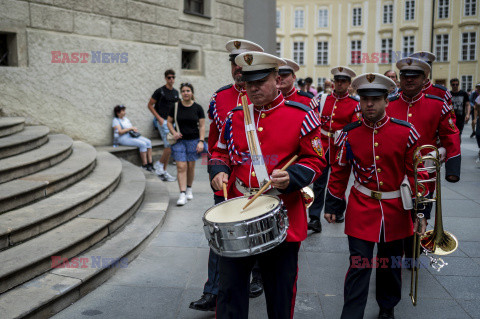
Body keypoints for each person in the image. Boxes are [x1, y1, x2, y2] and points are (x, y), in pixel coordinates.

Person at [209, 51, 326, 318]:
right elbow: (220, 152)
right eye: (248, 82)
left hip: (281, 211)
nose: (253, 88)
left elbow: (316, 160)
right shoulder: (236, 116)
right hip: (239, 209)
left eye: (260, 81)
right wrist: (218, 171)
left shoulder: (302, 115)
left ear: (276, 78)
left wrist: (292, 177)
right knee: (230, 291)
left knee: (280, 291)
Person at [324, 73, 428, 319]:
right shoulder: (348, 133)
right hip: (361, 206)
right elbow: (339, 172)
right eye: (364, 99)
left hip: (396, 209)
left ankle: (387, 307)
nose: (369, 104)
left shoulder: (406, 132)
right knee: (359, 263)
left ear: (387, 101)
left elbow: (417, 176)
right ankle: (351, 314)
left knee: (390, 264)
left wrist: (420, 212)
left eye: (375, 99)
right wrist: (333, 204)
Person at [189, 39, 265, 312]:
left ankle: (257, 276)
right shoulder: (219, 98)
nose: (238, 69)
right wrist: (214, 170)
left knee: (255, 231)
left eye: (243, 63)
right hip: (225, 180)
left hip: (259, 180)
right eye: (234, 63)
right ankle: (213, 291)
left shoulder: (266, 97)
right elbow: (214, 142)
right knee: (220, 235)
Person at [387, 57, 461, 261]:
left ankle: (414, 252)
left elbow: (451, 134)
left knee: (420, 212)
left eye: (415, 76)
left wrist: (453, 169)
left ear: (424, 78)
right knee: (396, 209)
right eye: (404, 76)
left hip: (424, 170)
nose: (409, 80)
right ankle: (397, 248)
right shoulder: (389, 103)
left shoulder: (438, 104)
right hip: (394, 167)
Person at [308, 66, 360, 233]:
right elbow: (312, 120)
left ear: (349, 84)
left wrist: (343, 136)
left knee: (338, 181)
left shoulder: (355, 104)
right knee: (319, 183)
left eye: (343, 81)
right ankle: (315, 217)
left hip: (341, 148)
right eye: (337, 80)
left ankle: (338, 209)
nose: (339, 84)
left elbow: (354, 126)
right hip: (322, 146)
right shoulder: (321, 100)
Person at [167, 83, 205, 206]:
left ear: (192, 92)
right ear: (181, 93)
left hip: (193, 141)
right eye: (183, 91)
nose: (186, 93)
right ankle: (182, 193)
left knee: (190, 166)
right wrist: (174, 132)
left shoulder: (198, 108)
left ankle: (189, 188)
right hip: (179, 142)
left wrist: (201, 141)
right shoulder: (176, 106)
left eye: (188, 90)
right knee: (181, 166)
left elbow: (203, 126)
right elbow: (168, 122)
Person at [147, 69, 178, 182]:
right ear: (165, 78)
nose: (171, 79)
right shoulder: (160, 91)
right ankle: (159, 165)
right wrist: (159, 118)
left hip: (172, 122)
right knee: (169, 145)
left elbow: (176, 108)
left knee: (169, 146)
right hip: (162, 121)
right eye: (169, 77)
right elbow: (150, 105)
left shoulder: (175, 92)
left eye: (173, 77)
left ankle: (162, 172)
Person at [112, 105, 154, 171]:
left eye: (124, 110)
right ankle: (144, 165)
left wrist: (134, 129)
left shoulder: (126, 119)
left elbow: (130, 128)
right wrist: (130, 128)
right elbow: (119, 132)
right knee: (142, 144)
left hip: (131, 135)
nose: (124, 112)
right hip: (123, 138)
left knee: (148, 142)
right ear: (118, 113)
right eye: (122, 111)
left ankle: (150, 163)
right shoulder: (115, 120)